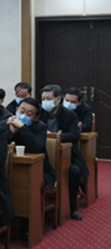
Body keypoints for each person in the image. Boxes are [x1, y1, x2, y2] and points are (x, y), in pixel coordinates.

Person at [40, 84, 87, 221]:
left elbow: (75, 135)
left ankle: (71, 208)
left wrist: (57, 137)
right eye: (43, 99)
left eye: (48, 99)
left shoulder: (69, 114)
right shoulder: (39, 113)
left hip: (66, 155)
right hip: (42, 154)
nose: (45, 102)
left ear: (58, 99)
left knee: (74, 171)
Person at [5, 98, 56, 190]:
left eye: (29, 114)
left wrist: (23, 128)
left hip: (39, 169)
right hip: (9, 167)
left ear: (36, 117)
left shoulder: (40, 127)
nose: (24, 115)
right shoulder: (6, 122)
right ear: (16, 109)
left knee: (32, 184)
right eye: (22, 111)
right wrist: (11, 132)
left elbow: (36, 148)